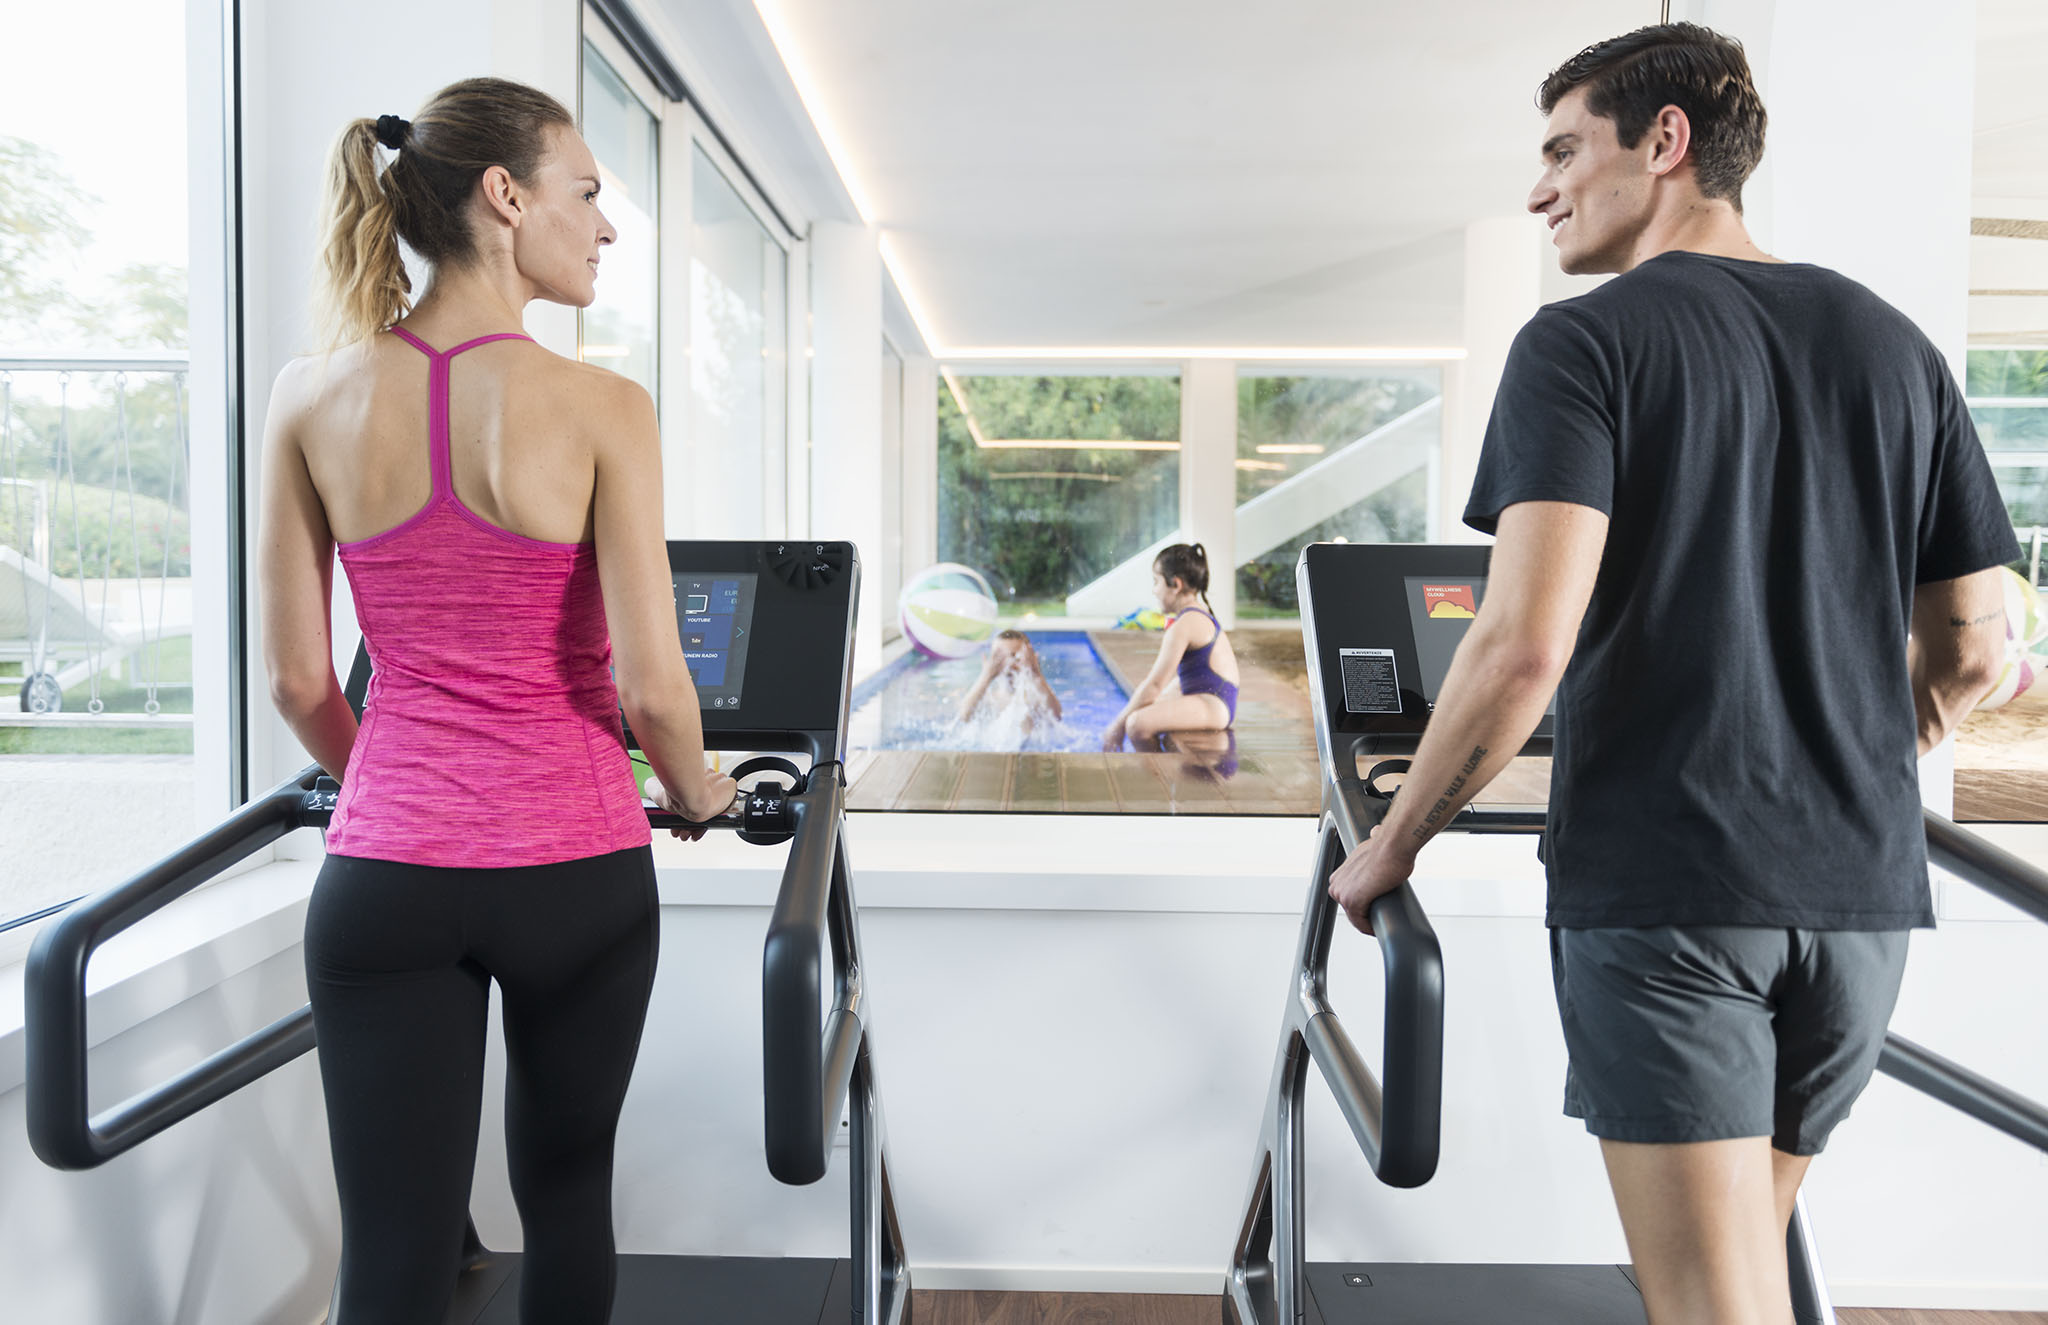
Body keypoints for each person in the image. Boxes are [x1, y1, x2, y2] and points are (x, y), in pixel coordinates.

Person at [1325, 24, 2013, 1325]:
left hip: (1673, 892)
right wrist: (1856, 760)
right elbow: (1978, 645)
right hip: (1857, 901)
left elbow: (1520, 646)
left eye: (1561, 150)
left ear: (1664, 141)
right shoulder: (1894, 346)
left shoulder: (1579, 345)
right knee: (1746, 1272)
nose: (1541, 189)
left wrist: (1392, 842)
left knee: (1708, 1301)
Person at [258, 79, 735, 1325]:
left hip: (385, 877)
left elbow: (299, 681)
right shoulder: (602, 407)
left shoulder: (307, 394)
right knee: (566, 1200)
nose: (605, 226)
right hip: (574, 867)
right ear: (505, 195)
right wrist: (701, 793)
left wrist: (393, 786)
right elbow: (651, 686)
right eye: (588, 193)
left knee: (392, 1248)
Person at [1102, 542, 1240, 751]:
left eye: (1156, 582)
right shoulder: (1195, 614)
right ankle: (1161, 764)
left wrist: (1116, 727)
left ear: (1175, 585)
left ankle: (1156, 771)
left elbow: (1154, 685)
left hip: (1215, 704)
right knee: (1148, 706)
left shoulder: (1183, 626)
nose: (1154, 591)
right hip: (1215, 696)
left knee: (1136, 724)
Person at [957, 628, 1064, 731]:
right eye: (999, 658)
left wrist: (1036, 674)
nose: (1008, 664)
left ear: (1031, 659)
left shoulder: (1035, 701)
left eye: (1015, 657)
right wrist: (986, 676)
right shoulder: (988, 701)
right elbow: (964, 717)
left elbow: (1056, 717)